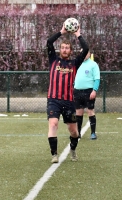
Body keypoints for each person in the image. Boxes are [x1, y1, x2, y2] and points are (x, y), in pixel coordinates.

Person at [46, 22, 89, 163]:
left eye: (67, 48)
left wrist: (78, 34)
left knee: (74, 132)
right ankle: (54, 154)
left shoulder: (74, 63)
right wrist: (61, 32)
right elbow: (49, 42)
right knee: (53, 124)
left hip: (69, 102)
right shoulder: (53, 60)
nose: (64, 50)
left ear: (70, 51)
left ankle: (73, 148)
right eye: (63, 48)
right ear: (60, 50)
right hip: (53, 100)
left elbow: (86, 48)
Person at [74, 51, 100, 140]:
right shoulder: (77, 63)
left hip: (89, 91)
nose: (84, 54)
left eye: (86, 53)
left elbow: (97, 79)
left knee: (90, 111)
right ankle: (78, 133)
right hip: (77, 91)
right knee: (78, 112)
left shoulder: (93, 65)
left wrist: (94, 90)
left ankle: (93, 133)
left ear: (89, 54)